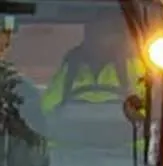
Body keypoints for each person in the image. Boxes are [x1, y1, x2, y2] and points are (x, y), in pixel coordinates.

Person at [39, 14, 147, 150]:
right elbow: (46, 112)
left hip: (127, 157)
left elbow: (152, 116)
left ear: (117, 39)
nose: (99, 42)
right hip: (73, 153)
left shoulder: (135, 69)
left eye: (105, 35)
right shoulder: (71, 70)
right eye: (94, 35)